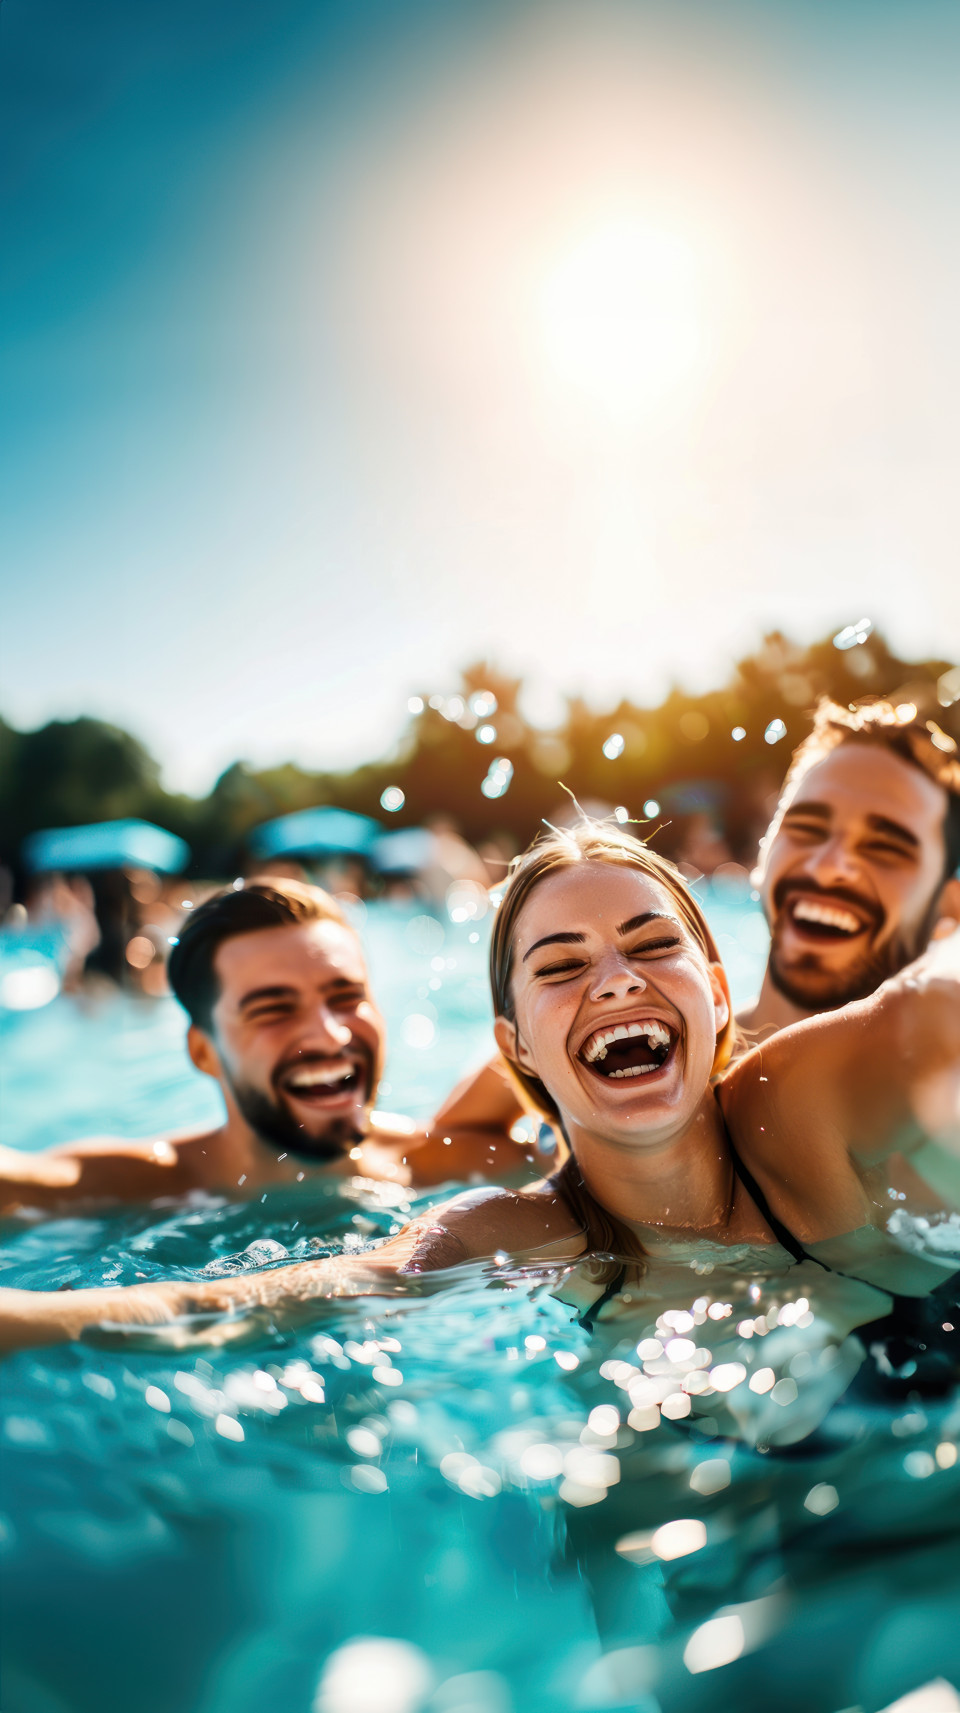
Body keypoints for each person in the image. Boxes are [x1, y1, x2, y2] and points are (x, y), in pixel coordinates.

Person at [2, 820, 957, 1352]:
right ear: (518, 1048)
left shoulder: (803, 1099)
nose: (617, 980)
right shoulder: (508, 1222)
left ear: (717, 988)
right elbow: (226, 1303)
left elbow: (928, 1009)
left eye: (654, 943)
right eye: (560, 964)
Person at [0, 878, 542, 1216]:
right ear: (203, 1051)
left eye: (346, 996)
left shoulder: (452, 1166)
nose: (329, 1035)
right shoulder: (149, 1186)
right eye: (273, 1009)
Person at [740, 697, 960, 1039]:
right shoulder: (660, 1073)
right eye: (807, 829)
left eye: (884, 848)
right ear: (763, 854)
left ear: (949, 909)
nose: (826, 868)